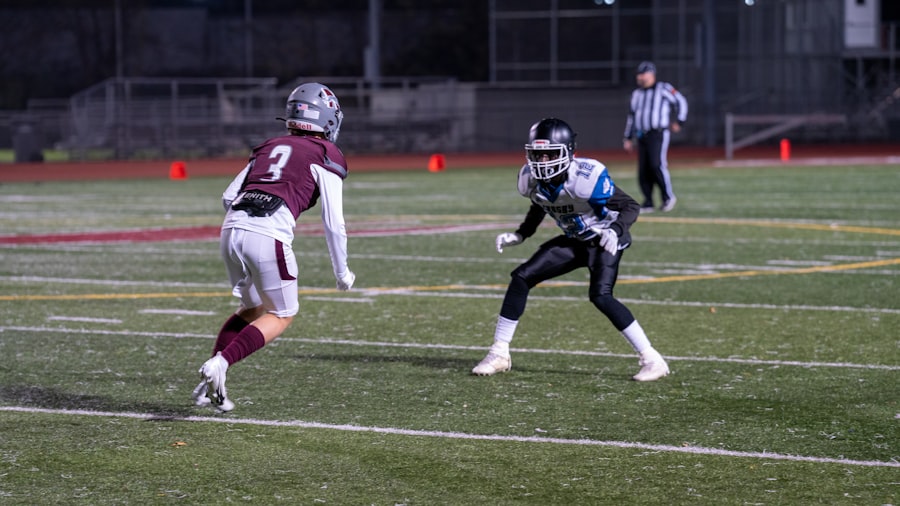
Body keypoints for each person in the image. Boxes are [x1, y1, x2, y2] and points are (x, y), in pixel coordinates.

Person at [192, 82, 356, 412]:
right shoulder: (325, 153)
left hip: (231, 229)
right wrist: (342, 272)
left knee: (251, 308)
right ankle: (220, 364)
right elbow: (333, 222)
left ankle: (209, 383)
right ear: (326, 118)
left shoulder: (270, 145)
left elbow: (228, 196)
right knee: (282, 314)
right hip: (267, 234)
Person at [472, 117, 669, 382]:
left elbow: (630, 206)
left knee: (601, 296)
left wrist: (615, 230)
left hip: (602, 239)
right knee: (521, 278)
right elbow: (539, 204)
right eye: (538, 155)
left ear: (568, 152)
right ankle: (499, 353)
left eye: (550, 154)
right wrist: (521, 234)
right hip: (575, 240)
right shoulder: (531, 180)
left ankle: (653, 360)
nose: (543, 161)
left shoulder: (586, 178)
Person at [623, 61, 688, 213]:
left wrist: (680, 121)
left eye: (642, 74)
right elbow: (632, 117)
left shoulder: (663, 88)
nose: (639, 77)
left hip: (657, 133)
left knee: (656, 164)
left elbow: (681, 101)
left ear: (651, 74)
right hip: (641, 134)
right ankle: (648, 201)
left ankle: (668, 197)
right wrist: (628, 137)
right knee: (643, 170)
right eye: (638, 74)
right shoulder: (636, 94)